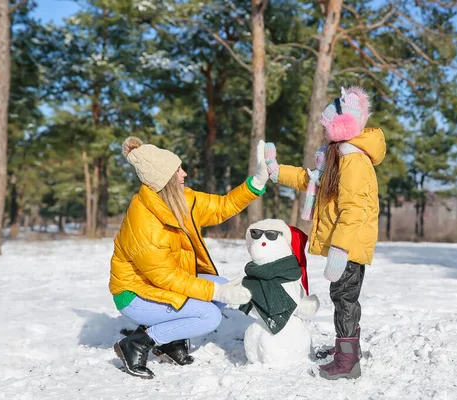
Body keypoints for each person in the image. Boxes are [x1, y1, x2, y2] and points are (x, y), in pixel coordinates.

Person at [110, 136, 269, 379]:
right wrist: (216, 294)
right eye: (177, 171)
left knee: (219, 285)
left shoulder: (179, 200)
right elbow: (167, 279)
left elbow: (221, 206)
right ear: (162, 179)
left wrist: (255, 184)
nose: (184, 174)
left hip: (159, 285)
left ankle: (170, 341)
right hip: (135, 295)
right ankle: (138, 342)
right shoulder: (145, 224)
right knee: (209, 315)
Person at [264, 87, 386, 380]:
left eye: (326, 124)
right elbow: (311, 179)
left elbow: (354, 210)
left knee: (344, 297)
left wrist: (340, 249)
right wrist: (276, 171)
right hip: (343, 243)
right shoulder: (338, 155)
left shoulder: (353, 160)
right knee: (342, 296)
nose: (322, 129)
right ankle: (345, 350)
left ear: (342, 125)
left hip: (349, 244)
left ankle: (348, 363)